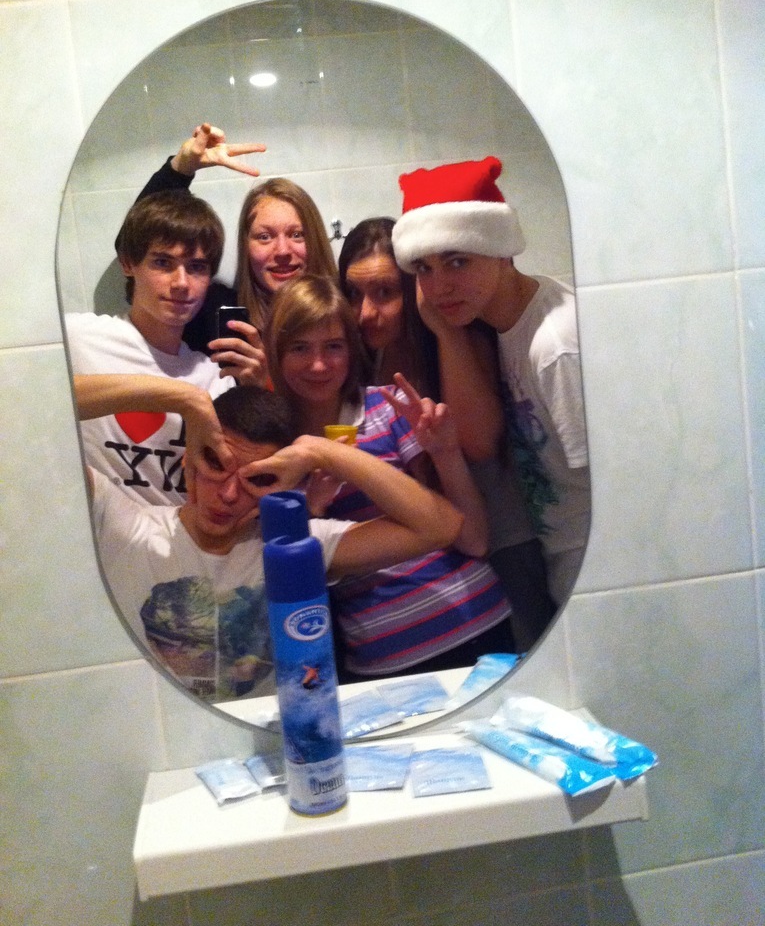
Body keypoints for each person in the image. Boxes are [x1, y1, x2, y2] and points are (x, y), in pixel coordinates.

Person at [89, 385, 462, 702]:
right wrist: (182, 397)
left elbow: (440, 526)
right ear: (189, 460)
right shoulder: (126, 528)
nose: (230, 494)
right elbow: (53, 401)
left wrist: (321, 451)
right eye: (216, 465)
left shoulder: (292, 549)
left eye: (257, 479)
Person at [264, 274, 516, 681]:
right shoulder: (274, 447)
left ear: (352, 349)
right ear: (276, 352)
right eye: (299, 348)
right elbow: (283, 579)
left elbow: (473, 538)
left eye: (334, 346)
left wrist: (446, 452)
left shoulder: (387, 409)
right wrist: (312, 509)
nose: (319, 364)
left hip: (474, 621)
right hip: (381, 657)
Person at [338, 216, 555, 650]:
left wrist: (441, 327)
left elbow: (479, 445)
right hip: (437, 569)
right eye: (353, 294)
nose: (365, 313)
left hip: (505, 546)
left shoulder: (464, 338)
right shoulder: (360, 368)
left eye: (385, 293)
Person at [391, 155, 590, 606]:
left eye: (457, 261)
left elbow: (614, 490)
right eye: (424, 268)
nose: (439, 286)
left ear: (502, 250)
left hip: (592, 565)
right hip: (565, 559)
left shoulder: (554, 345)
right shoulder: (504, 323)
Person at [67, 190, 263, 506]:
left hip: (186, 534)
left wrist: (258, 391)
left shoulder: (214, 377)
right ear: (128, 263)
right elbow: (38, 400)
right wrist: (181, 397)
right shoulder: (79, 338)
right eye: (162, 262)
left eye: (196, 267)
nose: (181, 282)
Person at [131, 123, 338, 369]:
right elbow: (136, 242)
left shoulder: (346, 308)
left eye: (296, 235)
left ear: (316, 239)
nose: (283, 251)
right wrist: (180, 169)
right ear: (245, 246)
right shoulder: (213, 311)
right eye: (265, 237)